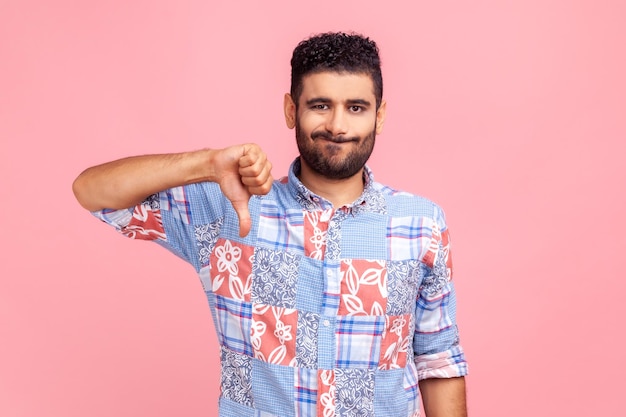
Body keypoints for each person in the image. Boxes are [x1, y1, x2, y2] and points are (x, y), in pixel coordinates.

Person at [73, 32, 468, 417]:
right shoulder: (230, 207)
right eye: (319, 105)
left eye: (356, 108)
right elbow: (93, 192)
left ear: (379, 116)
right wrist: (206, 164)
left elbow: (438, 360)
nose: (337, 125)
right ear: (291, 110)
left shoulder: (421, 223)